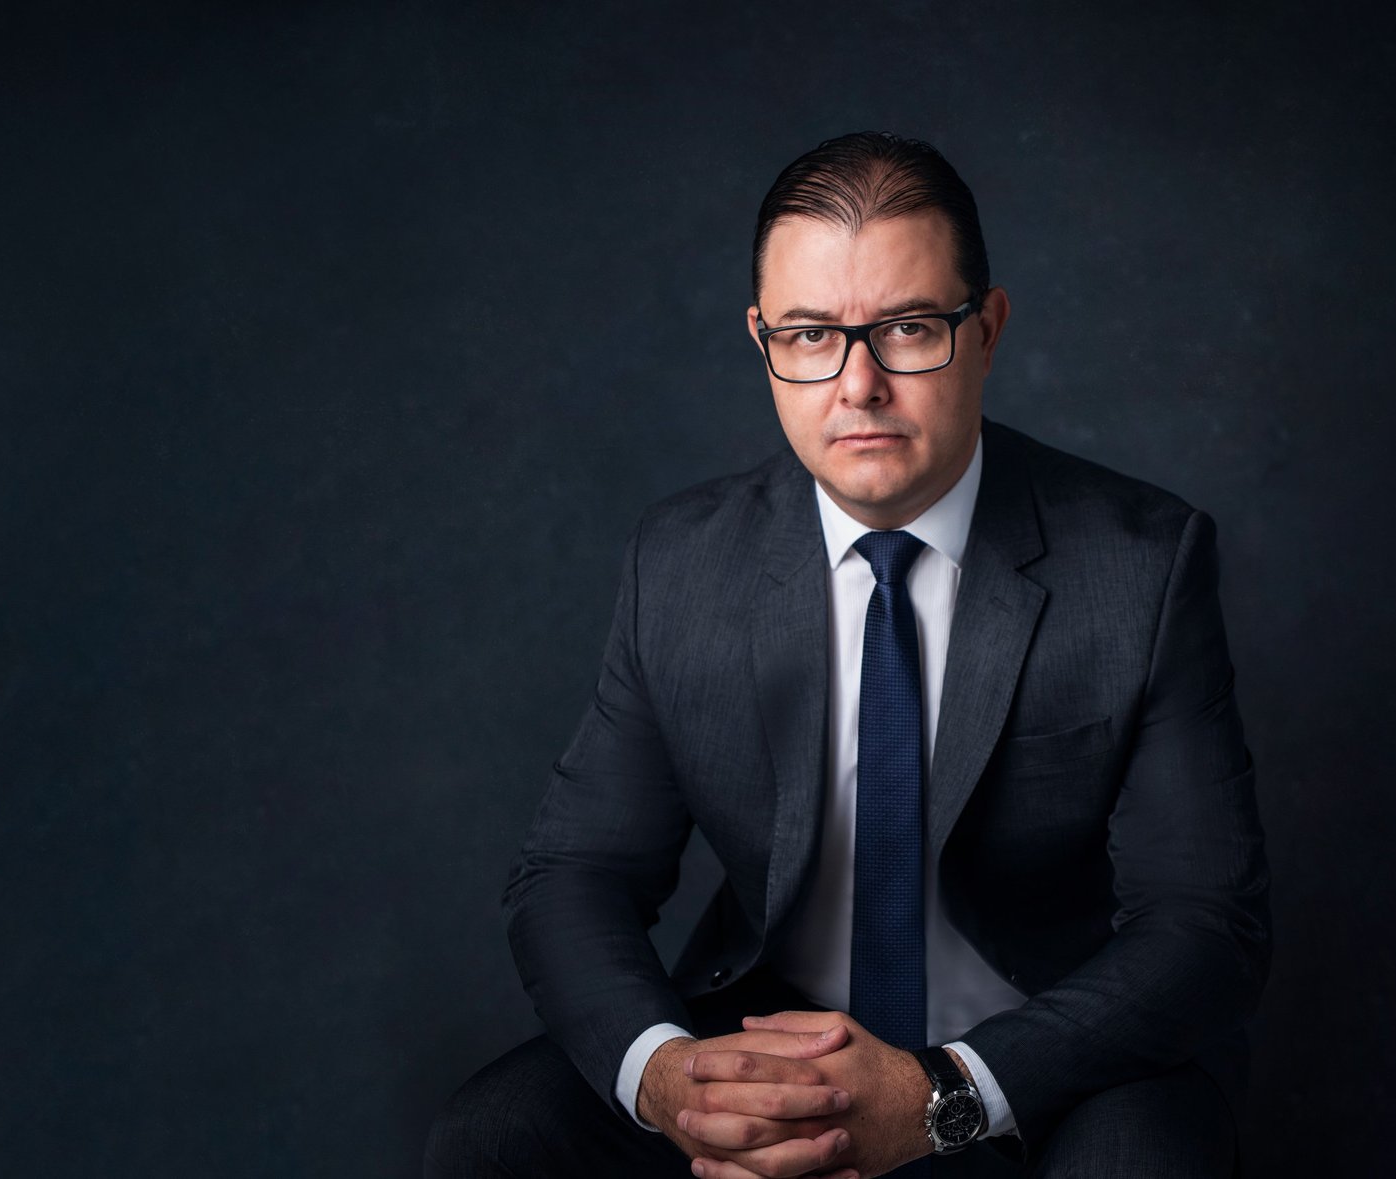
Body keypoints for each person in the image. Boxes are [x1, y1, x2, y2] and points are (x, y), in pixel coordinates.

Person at [425, 131, 1271, 1179]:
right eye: (813, 334)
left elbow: (1204, 922)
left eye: (909, 328)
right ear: (762, 341)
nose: (858, 383)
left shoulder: (1140, 563)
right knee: (494, 1136)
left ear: (988, 329)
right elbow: (576, 872)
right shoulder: (684, 562)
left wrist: (946, 1093)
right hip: (769, 1048)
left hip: (1050, 1068)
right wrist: (665, 1074)